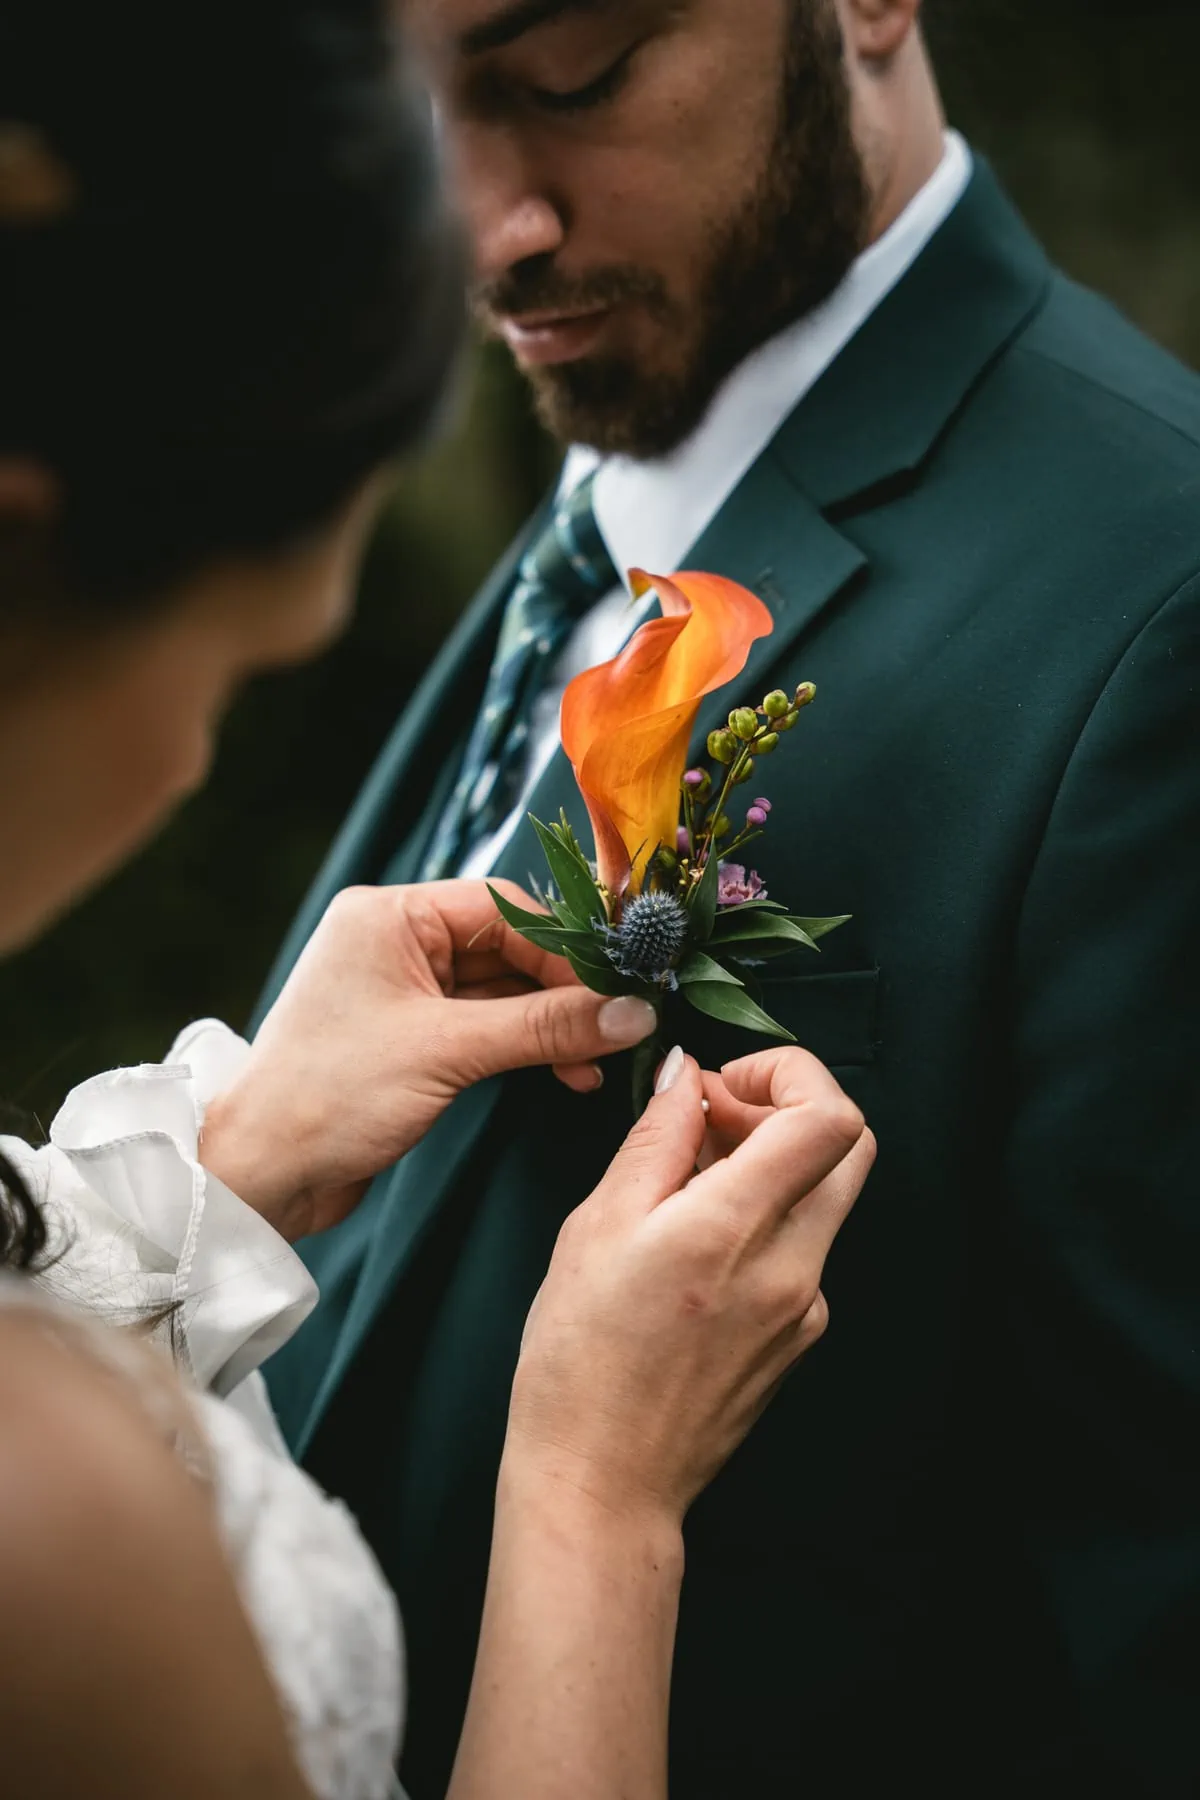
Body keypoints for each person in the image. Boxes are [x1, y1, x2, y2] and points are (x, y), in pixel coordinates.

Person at [259, 0, 1200, 1794]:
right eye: (411, 102)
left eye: (570, 80)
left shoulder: (1160, 617)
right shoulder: (614, 507)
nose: (477, 227)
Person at [0, 3, 877, 1796]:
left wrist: (220, 1162)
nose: (188, 762)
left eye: (567, 85)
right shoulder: (48, 1538)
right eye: (241, 669)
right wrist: (594, 1500)